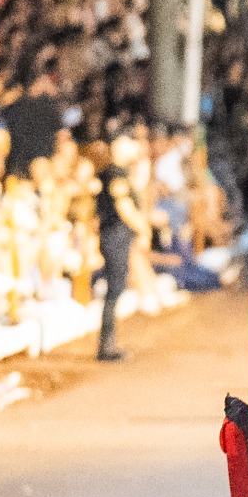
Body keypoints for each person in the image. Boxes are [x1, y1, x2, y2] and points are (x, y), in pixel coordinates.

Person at [93, 135, 146, 363]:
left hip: (116, 234)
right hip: (114, 234)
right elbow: (124, 206)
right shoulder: (115, 174)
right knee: (115, 287)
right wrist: (143, 228)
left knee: (116, 287)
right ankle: (106, 346)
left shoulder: (116, 173)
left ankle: (108, 344)